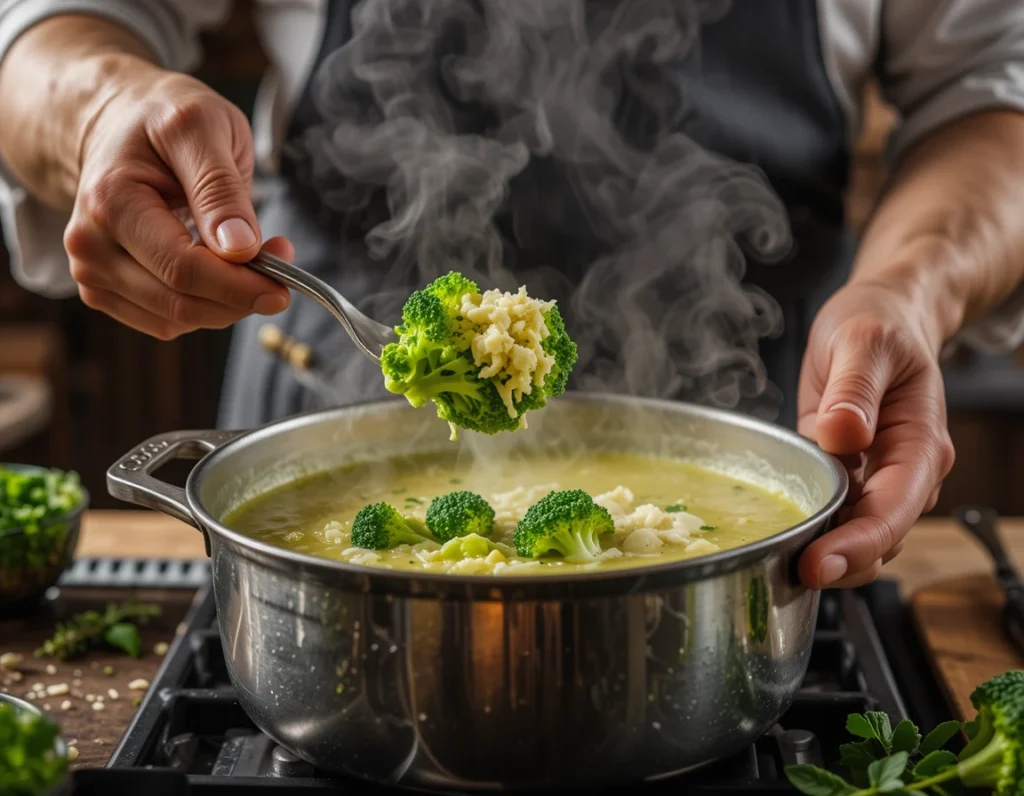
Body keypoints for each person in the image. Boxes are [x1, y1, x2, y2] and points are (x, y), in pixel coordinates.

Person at [1, 1, 1023, 593]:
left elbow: (993, 89)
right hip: (322, 382)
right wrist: (97, 111)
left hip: (771, 431)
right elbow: (44, 31)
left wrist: (908, 287)